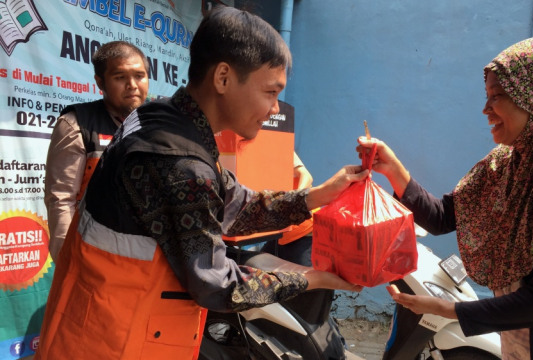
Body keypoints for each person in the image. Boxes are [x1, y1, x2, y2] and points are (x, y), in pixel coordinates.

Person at [35, 6, 367, 360]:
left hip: (94, 322)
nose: (275, 109)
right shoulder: (180, 163)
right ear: (223, 77)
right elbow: (219, 287)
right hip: (115, 342)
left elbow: (234, 205)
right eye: (271, 92)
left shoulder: (160, 118)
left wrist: (317, 196)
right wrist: (314, 278)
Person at [357, 36, 533, 359]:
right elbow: (445, 216)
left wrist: (447, 309)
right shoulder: (506, 164)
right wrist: (393, 168)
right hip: (526, 336)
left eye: (497, 96)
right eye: (487, 96)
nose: (485, 109)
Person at [44, 41, 149, 262]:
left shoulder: (155, 127)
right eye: (120, 77)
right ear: (100, 82)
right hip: (92, 258)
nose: (132, 85)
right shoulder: (76, 124)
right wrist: (68, 260)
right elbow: (61, 200)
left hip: (143, 262)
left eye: (139, 76)